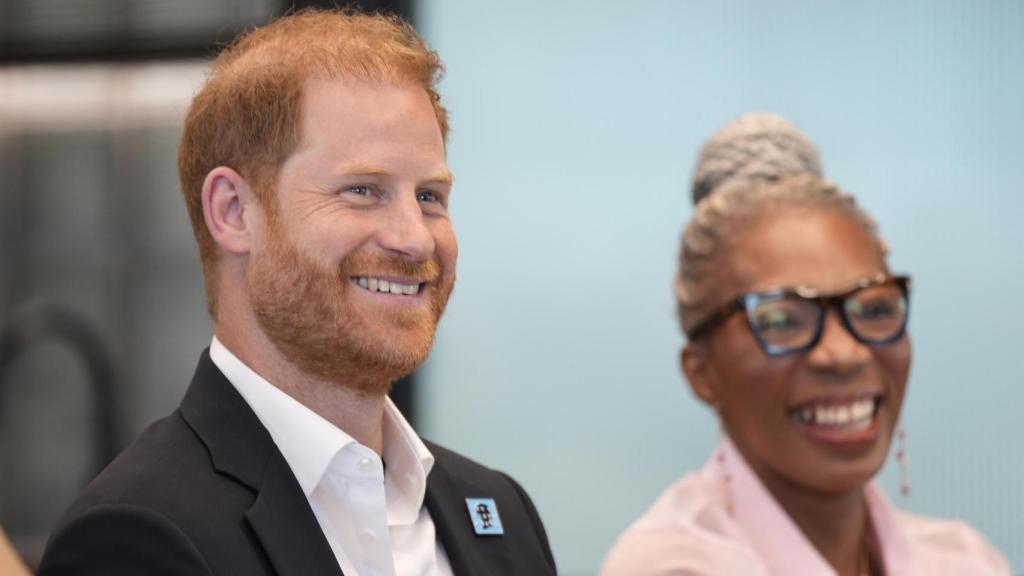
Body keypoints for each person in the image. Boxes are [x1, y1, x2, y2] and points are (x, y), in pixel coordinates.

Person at [37, 9, 556, 576]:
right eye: (363, 190)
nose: (414, 238)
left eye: (430, 196)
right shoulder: (134, 537)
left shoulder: (500, 512)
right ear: (234, 212)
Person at [601, 114, 1009, 575]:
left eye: (872, 310)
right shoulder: (673, 567)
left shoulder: (964, 560)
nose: (844, 353)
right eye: (782, 320)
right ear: (702, 372)